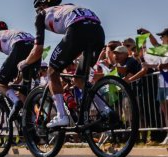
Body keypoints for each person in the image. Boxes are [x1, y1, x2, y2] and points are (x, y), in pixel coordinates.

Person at [18, 0, 106, 128]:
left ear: (42, 6)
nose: (37, 11)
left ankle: (62, 116)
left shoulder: (41, 15)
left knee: (52, 71)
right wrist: (65, 61)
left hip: (77, 29)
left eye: (37, 8)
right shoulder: (68, 6)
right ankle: (105, 110)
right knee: (79, 79)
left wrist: (24, 63)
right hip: (98, 31)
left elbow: (38, 50)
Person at [0, 21, 38, 121]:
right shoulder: (12, 32)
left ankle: (16, 102)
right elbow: (20, 65)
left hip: (19, 47)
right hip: (35, 47)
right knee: (24, 93)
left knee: (1, 84)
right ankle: (32, 123)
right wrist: (17, 77)